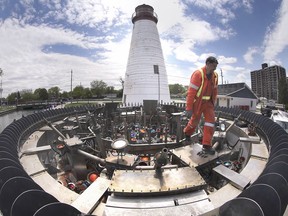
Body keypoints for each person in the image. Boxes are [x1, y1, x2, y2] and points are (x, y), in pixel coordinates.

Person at [183, 56, 218, 155]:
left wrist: (213, 102)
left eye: (215, 67)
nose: (214, 69)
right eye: (213, 66)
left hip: (208, 104)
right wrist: (189, 108)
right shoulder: (198, 74)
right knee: (194, 121)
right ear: (207, 64)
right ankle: (187, 133)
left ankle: (207, 145)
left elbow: (215, 90)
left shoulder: (215, 76)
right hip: (198, 103)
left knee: (211, 122)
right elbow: (191, 92)